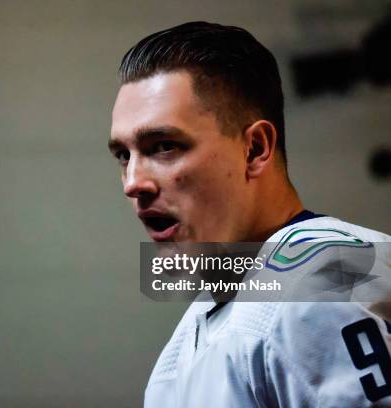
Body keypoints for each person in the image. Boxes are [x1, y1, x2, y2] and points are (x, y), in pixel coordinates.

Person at [108, 21, 391, 407]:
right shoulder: (200, 323)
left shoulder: (319, 286)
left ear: (255, 149)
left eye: (163, 146)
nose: (133, 182)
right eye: (124, 155)